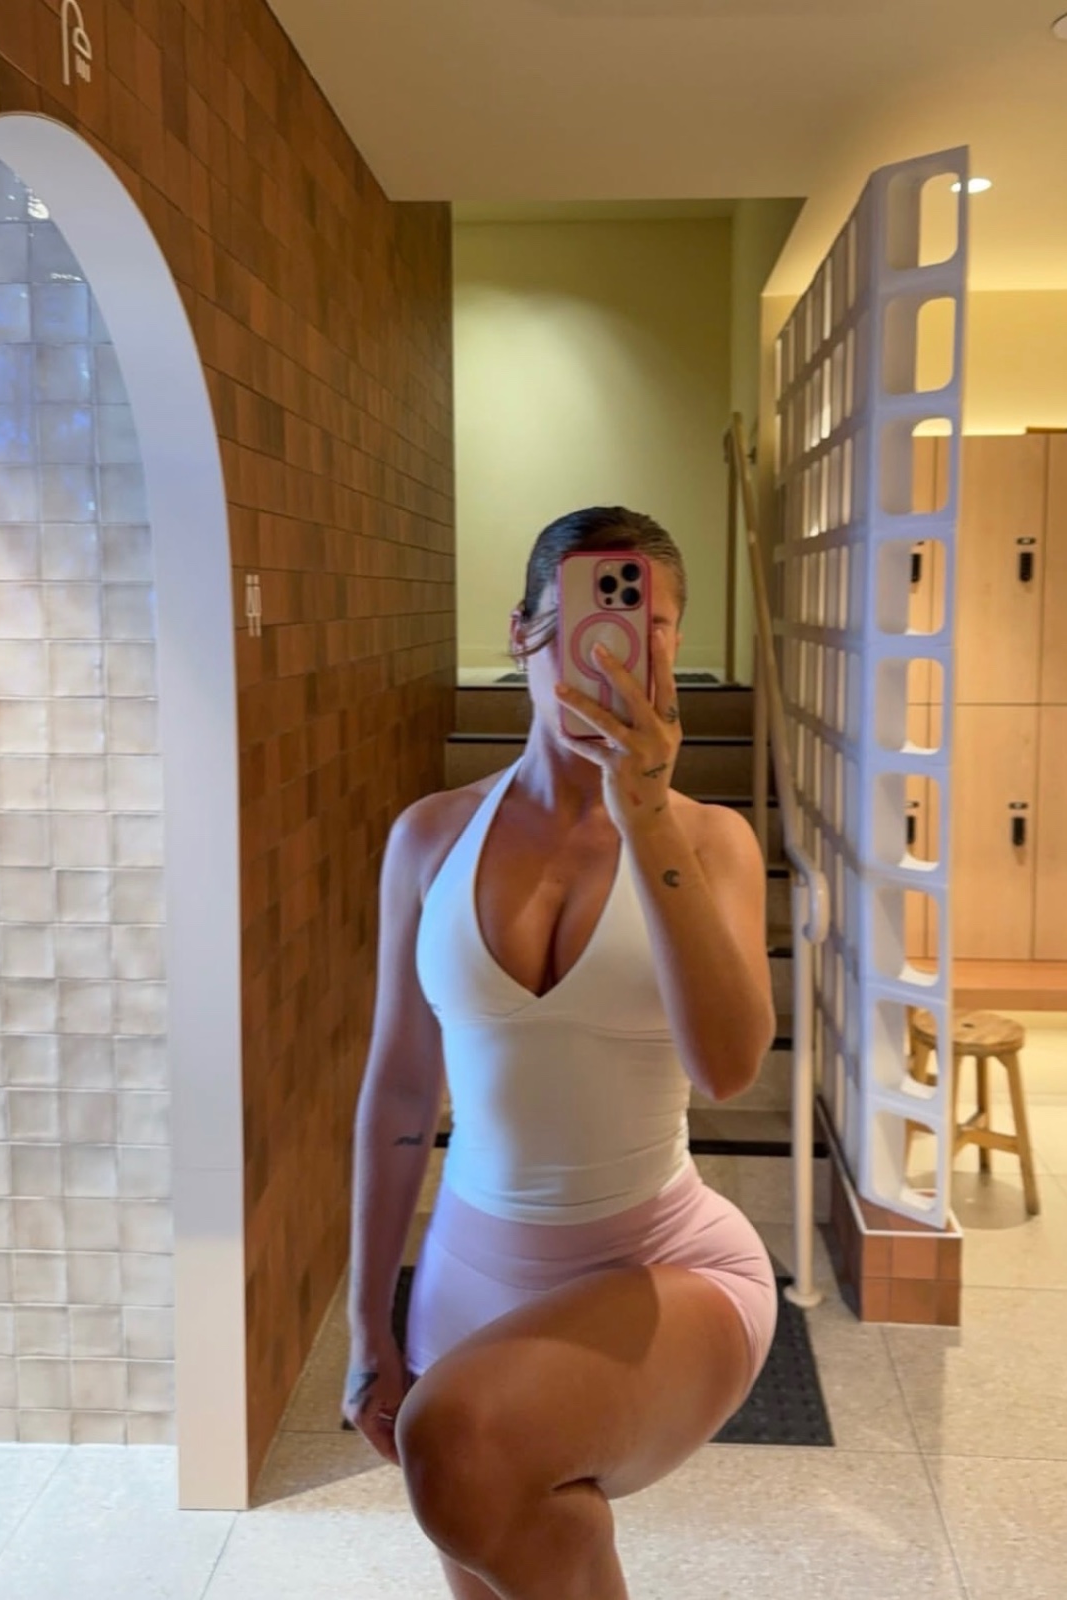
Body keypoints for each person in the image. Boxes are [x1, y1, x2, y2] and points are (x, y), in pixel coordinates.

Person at [343, 508, 779, 1600]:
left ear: (672, 645)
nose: (614, 648)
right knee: (491, 1548)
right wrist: (365, 1318)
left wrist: (646, 813)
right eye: (583, 619)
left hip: (667, 1266)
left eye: (649, 626)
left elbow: (729, 1066)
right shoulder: (430, 836)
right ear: (523, 632)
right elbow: (400, 1088)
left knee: (461, 1444)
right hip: (469, 1269)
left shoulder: (711, 840)